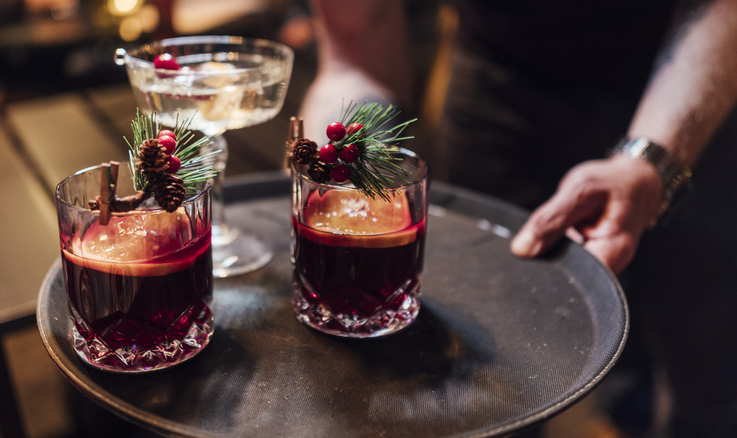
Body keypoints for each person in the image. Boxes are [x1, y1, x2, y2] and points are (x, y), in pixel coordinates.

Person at [299, 0, 737, 436]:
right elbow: (358, 61)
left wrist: (650, 161)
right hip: (502, 75)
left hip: (701, 70)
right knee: (497, 370)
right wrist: (343, 168)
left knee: (709, 368)